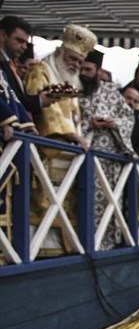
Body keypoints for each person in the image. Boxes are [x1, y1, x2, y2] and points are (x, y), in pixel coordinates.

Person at [24, 24, 97, 256]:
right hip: (48, 149)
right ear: (60, 52)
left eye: (79, 60)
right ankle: (40, 251)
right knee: (44, 205)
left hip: (69, 156)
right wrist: (72, 135)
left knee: (65, 205)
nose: (75, 64)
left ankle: (65, 249)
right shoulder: (42, 70)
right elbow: (45, 111)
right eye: (72, 58)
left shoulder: (73, 80)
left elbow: (75, 116)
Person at [77, 48, 135, 250]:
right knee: (86, 202)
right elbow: (69, 120)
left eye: (88, 69)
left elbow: (129, 117)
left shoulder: (111, 91)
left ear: (97, 70)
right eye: (81, 69)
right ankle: (87, 244)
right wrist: (88, 124)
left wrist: (115, 123)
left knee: (111, 201)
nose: (84, 73)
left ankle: (109, 243)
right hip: (85, 157)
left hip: (111, 158)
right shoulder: (74, 89)